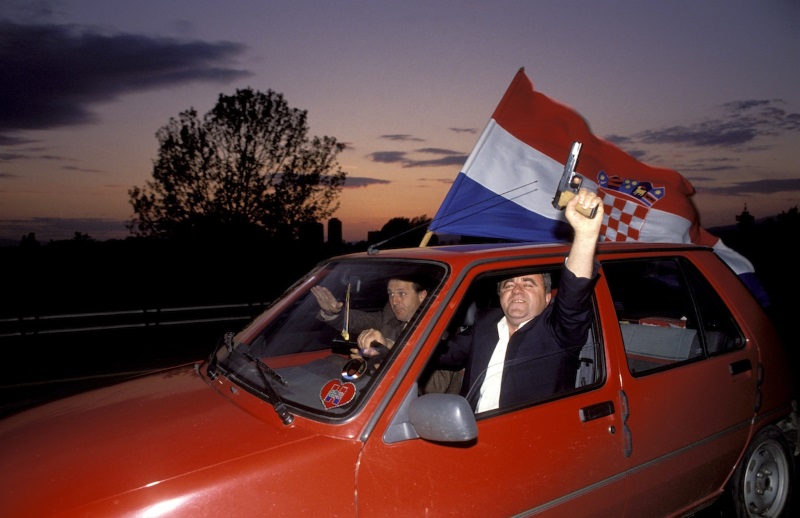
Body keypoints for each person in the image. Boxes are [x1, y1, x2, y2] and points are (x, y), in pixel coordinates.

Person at [430, 187, 603, 411]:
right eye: (509, 285)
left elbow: (574, 295)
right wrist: (389, 347)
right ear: (500, 295)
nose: (517, 290)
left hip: (527, 438)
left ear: (548, 297)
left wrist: (586, 236)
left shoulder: (558, 331)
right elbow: (442, 353)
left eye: (528, 283)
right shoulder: (485, 323)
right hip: (470, 430)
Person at [311, 275, 463, 393]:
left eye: (401, 293)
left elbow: (434, 388)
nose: (394, 301)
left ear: (422, 296)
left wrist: (386, 354)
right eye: (390, 294)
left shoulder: (443, 329)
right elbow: (361, 320)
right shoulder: (391, 316)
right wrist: (334, 313)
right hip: (376, 392)